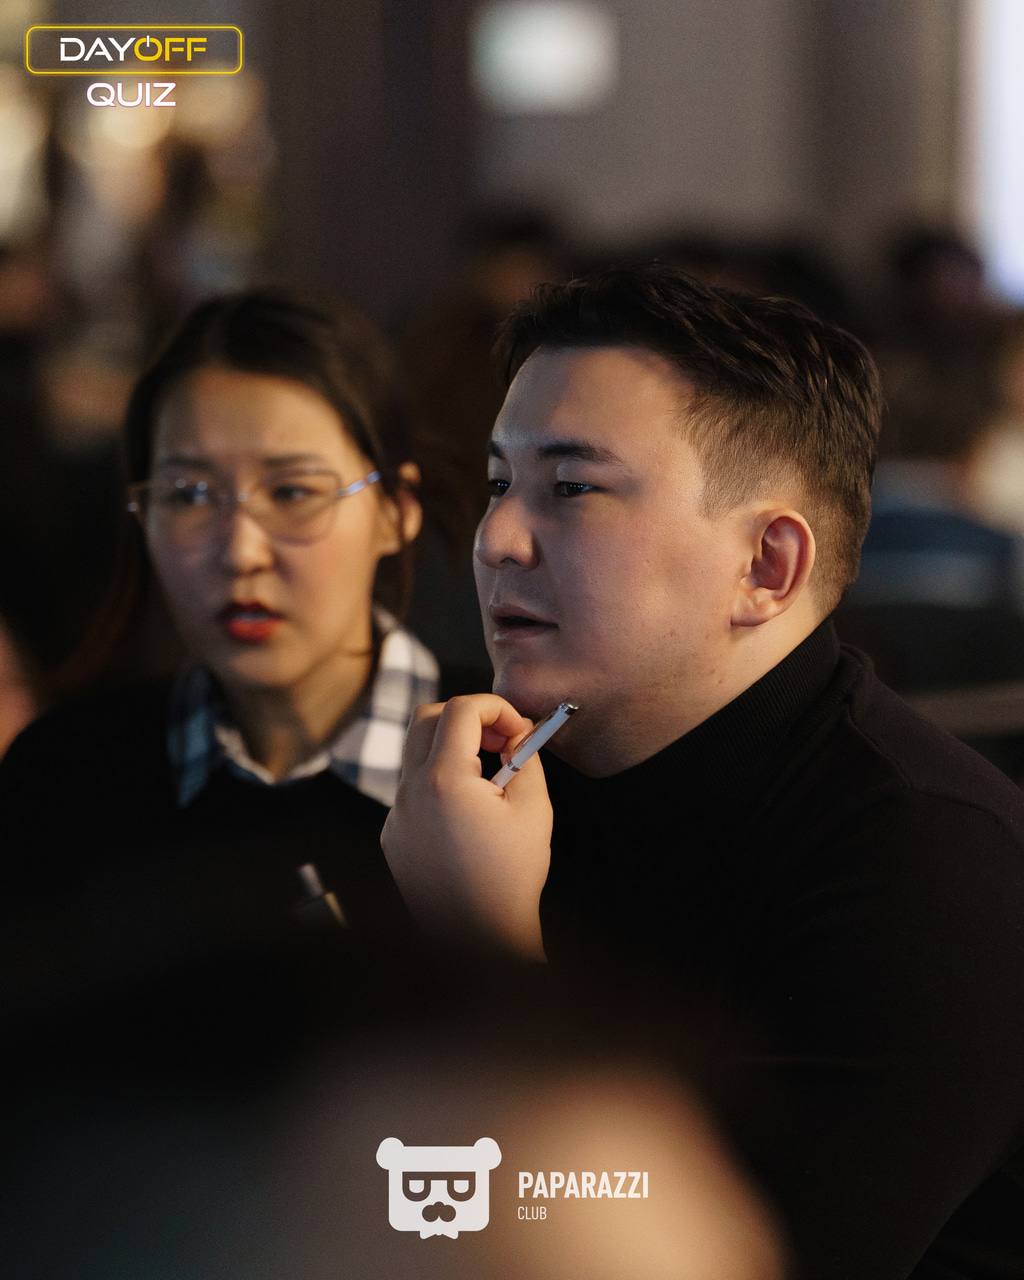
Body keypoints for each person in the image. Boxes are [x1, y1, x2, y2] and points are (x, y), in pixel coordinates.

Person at [381, 265, 1024, 1279]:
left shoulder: (936, 869)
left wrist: (485, 952)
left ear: (766, 567)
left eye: (572, 488)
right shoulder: (485, 780)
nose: (496, 539)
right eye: (501, 483)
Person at [0, 286, 465, 1010]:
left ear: (395, 511)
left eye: (293, 492)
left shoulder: (502, 773)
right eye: (187, 496)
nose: (241, 552)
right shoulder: (63, 774)